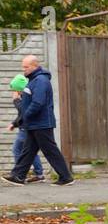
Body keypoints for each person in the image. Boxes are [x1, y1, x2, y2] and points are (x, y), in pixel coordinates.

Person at [4, 55, 73, 186]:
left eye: (26, 67)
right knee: (28, 150)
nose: (23, 70)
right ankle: (18, 176)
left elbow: (38, 103)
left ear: (35, 66)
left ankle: (66, 177)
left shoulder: (40, 80)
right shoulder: (33, 80)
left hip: (42, 123)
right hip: (34, 123)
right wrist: (20, 121)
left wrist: (25, 117)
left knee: (50, 150)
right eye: (23, 67)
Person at [7, 74, 45, 182]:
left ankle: (19, 174)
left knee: (18, 150)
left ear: (19, 89)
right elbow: (21, 115)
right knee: (30, 151)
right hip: (25, 127)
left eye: (14, 89)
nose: (13, 92)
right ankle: (39, 174)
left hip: (26, 129)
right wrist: (14, 124)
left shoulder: (25, 97)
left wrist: (15, 100)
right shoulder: (24, 96)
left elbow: (24, 112)